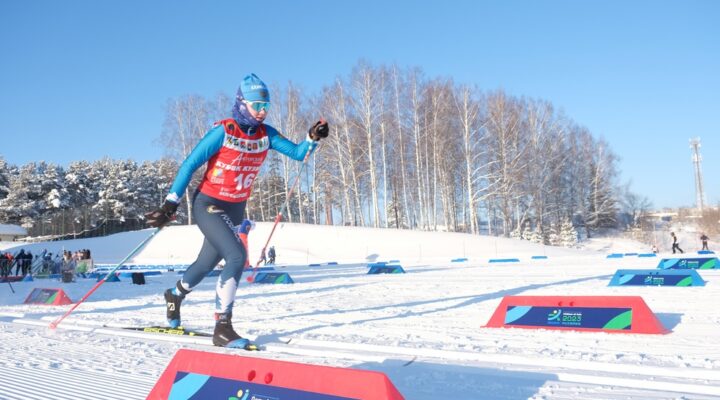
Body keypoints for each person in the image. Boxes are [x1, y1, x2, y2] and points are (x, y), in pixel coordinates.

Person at [144, 73, 329, 348]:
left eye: (266, 106)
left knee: (206, 263)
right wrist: (171, 202)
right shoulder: (224, 131)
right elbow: (189, 164)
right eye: (258, 106)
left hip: (235, 208)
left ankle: (175, 294)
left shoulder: (267, 134)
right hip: (208, 204)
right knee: (236, 256)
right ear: (243, 103)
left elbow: (299, 153)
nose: (263, 112)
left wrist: (312, 138)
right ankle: (223, 327)